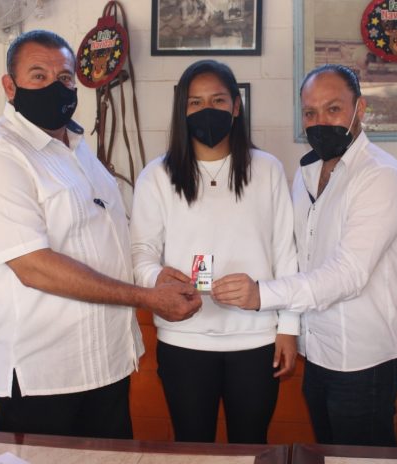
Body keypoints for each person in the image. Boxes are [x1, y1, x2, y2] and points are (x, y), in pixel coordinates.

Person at [0, 30, 201, 439]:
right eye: (38, 76)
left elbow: (109, 238)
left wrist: (153, 276)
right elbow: (35, 267)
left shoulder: (77, 148)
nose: (55, 86)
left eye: (65, 77)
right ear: (9, 86)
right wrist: (146, 298)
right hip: (43, 378)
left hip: (104, 365)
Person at [212, 64, 397, 447]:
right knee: (329, 452)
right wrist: (289, 329)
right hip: (318, 352)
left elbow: (349, 273)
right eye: (310, 112)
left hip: (364, 359)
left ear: (360, 108)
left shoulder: (381, 176)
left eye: (333, 109)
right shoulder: (307, 174)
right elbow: (298, 256)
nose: (320, 121)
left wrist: (262, 294)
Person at [130, 59, 299, 444]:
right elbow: (141, 251)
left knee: (250, 445)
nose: (207, 110)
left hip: (256, 339)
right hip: (184, 339)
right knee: (192, 446)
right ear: (182, 110)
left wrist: (289, 329)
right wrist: (157, 279)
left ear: (236, 106)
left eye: (218, 100)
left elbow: (285, 253)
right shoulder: (157, 175)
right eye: (196, 102)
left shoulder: (267, 169)